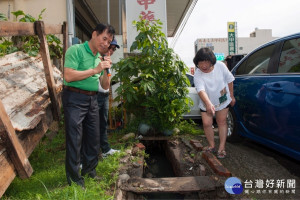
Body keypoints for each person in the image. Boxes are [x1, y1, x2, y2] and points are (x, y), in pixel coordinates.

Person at [63, 23, 115, 188]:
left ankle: (89, 171)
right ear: (94, 34)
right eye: (104, 38)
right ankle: (74, 179)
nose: (106, 44)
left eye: (109, 42)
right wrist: (95, 69)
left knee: (93, 138)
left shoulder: (99, 58)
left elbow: (105, 86)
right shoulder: (76, 50)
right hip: (74, 98)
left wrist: (107, 72)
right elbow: (69, 75)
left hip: (93, 100)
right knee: (75, 139)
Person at [193, 47, 235, 159]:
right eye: (200, 63)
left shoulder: (220, 66)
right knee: (207, 123)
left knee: (221, 122)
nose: (203, 66)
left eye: (206, 62)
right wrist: (208, 103)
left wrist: (231, 95)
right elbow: (200, 89)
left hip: (222, 100)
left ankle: (222, 148)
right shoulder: (198, 73)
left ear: (212, 61)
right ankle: (211, 145)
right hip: (206, 101)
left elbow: (230, 79)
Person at [98, 39, 120, 157]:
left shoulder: (107, 61)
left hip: (104, 94)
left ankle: (105, 150)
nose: (111, 51)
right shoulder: (96, 58)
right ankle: (83, 157)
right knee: (91, 126)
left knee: (103, 124)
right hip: (95, 95)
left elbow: (106, 84)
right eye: (110, 48)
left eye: (113, 49)